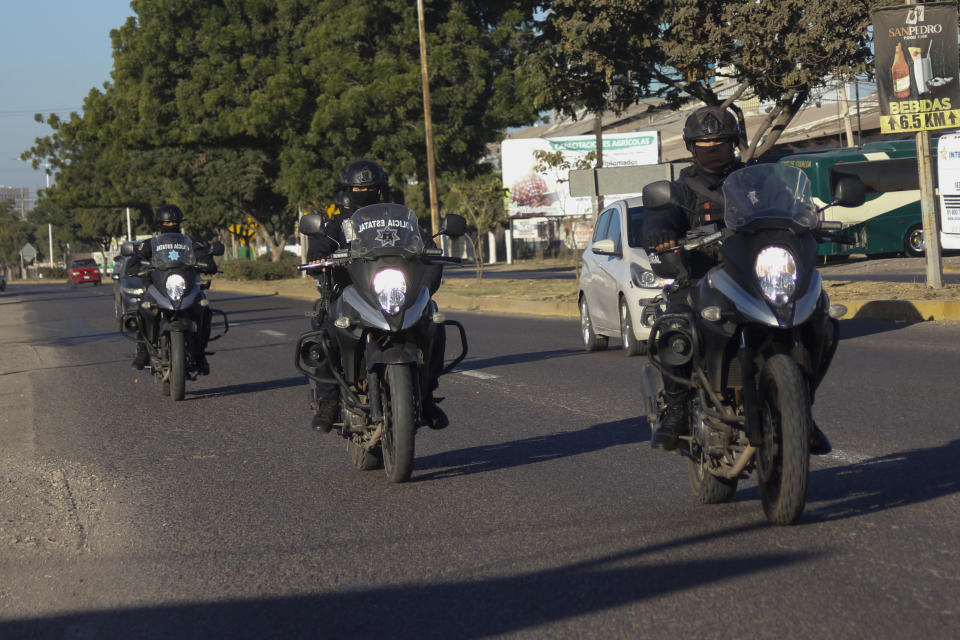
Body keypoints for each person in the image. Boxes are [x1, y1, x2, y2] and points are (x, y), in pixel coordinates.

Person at [642, 105, 832, 455]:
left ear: (734, 143)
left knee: (821, 316)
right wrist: (661, 234)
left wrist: (813, 222)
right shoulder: (682, 191)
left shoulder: (762, 181)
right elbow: (661, 217)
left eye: (721, 141)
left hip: (753, 275)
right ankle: (678, 408)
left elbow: (792, 208)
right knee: (675, 327)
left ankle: (801, 408)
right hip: (701, 278)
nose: (712, 148)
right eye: (704, 143)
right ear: (691, 148)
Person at [305, 159, 448, 433]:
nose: (365, 192)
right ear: (347, 189)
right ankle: (329, 401)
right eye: (359, 188)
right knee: (325, 333)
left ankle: (427, 395)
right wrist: (320, 256)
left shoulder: (401, 220)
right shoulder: (339, 223)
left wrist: (432, 251)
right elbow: (320, 246)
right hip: (350, 292)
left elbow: (424, 244)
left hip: (391, 291)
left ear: (381, 189)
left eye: (371, 187)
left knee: (432, 320)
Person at [130, 204, 218, 373]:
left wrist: (208, 263)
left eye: (174, 222)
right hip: (159, 285)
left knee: (204, 309)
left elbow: (204, 257)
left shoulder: (191, 243)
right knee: (143, 309)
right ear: (160, 223)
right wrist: (135, 267)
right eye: (167, 222)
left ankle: (200, 354)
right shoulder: (149, 244)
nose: (170, 225)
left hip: (186, 284)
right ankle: (142, 352)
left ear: (179, 222)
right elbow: (136, 259)